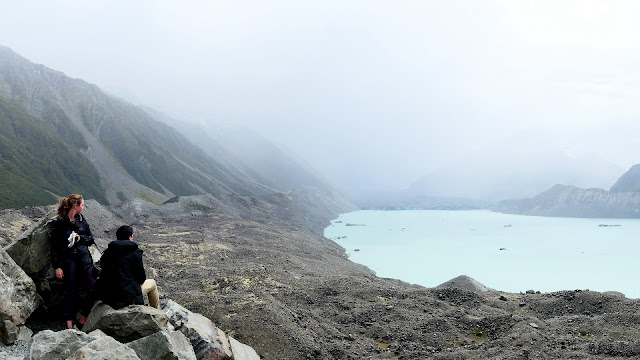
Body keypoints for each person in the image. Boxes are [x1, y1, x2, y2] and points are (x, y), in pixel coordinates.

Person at [50, 194, 97, 329]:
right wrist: (57, 266)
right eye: (82, 205)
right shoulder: (59, 224)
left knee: (92, 287)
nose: (83, 207)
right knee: (70, 291)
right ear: (75, 206)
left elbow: (91, 239)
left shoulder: (82, 221)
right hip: (69, 261)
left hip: (84, 260)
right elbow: (55, 247)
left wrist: (79, 238)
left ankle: (83, 319)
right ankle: (69, 326)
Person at [95, 225, 159, 309]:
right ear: (130, 238)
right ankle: (156, 313)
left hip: (109, 298)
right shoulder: (135, 253)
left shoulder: (107, 252)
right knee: (152, 283)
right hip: (127, 298)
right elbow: (141, 279)